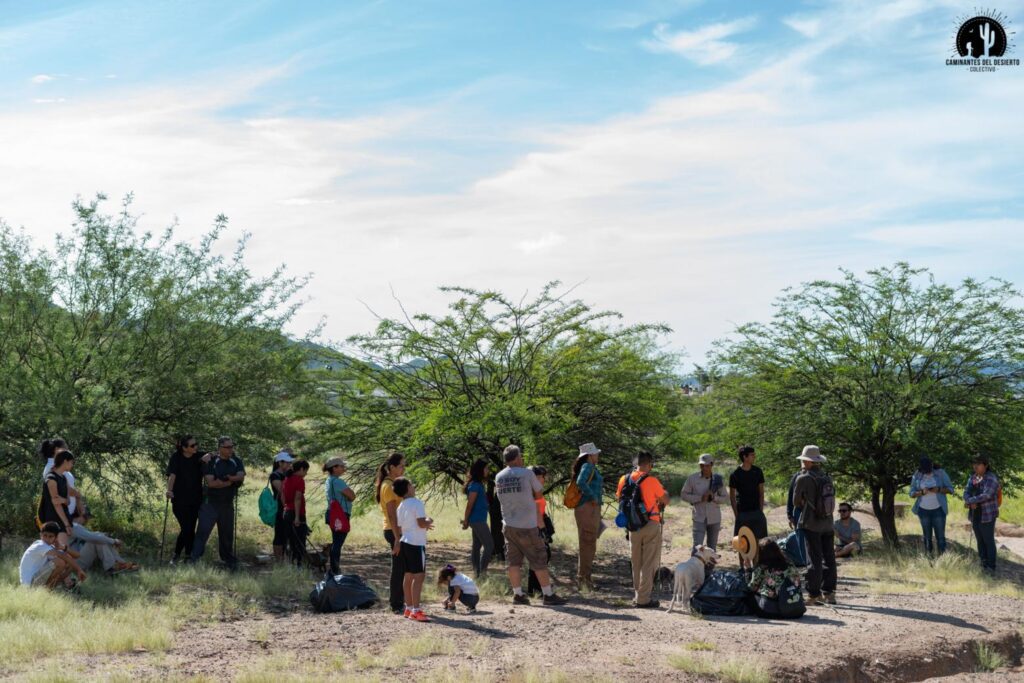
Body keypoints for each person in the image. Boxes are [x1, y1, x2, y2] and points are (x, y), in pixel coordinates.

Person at [495, 444, 567, 606]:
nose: (522, 458)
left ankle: (518, 594)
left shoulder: (499, 476)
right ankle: (548, 595)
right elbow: (538, 493)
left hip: (508, 525)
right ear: (517, 457)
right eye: (520, 456)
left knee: (513, 562)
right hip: (527, 525)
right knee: (539, 558)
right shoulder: (527, 474)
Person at [616, 451, 670, 608]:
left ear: (636, 463)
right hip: (650, 523)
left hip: (632, 526)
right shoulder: (651, 480)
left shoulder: (623, 479)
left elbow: (619, 497)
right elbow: (665, 499)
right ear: (648, 464)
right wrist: (663, 492)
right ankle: (643, 599)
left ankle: (637, 595)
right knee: (648, 562)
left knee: (636, 561)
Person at [189, 436, 245, 570]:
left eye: (232, 446)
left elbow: (241, 476)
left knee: (227, 534)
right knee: (203, 532)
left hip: (227, 503)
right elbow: (212, 483)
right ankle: (194, 559)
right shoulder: (211, 461)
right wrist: (231, 481)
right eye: (228, 447)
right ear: (220, 448)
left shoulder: (236, 460)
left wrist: (228, 479)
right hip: (210, 503)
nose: (231, 449)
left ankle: (228, 559)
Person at [792, 445, 837, 606]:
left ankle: (813, 594)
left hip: (811, 523)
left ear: (809, 462)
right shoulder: (827, 478)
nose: (802, 463)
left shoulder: (803, 478)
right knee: (829, 558)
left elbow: (796, 502)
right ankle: (829, 593)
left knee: (814, 559)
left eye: (804, 460)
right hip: (828, 523)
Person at [165, 435, 210, 565]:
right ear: (184, 448)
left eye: (196, 444)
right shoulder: (176, 457)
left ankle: (183, 555)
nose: (196, 447)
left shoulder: (199, 455)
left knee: (189, 528)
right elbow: (172, 475)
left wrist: (209, 456)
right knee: (187, 528)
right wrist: (169, 490)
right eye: (192, 445)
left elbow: (214, 453)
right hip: (179, 499)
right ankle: (182, 555)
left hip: (196, 499)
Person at [394, 477, 433, 622]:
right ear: (407, 488)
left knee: (408, 576)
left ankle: (409, 608)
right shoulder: (417, 503)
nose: (413, 486)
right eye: (411, 484)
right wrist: (429, 521)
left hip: (405, 542)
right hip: (416, 544)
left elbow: (400, 527)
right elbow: (421, 523)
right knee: (419, 577)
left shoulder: (401, 505)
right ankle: (416, 610)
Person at [375, 452, 407, 614]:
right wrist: (397, 538)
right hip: (393, 531)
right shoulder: (388, 486)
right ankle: (396, 604)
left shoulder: (394, 483)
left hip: (398, 530)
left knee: (402, 567)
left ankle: (401, 601)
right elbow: (392, 515)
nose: (404, 468)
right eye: (401, 466)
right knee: (398, 568)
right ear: (392, 467)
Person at [729, 445, 767, 570]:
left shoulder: (758, 471)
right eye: (752, 455)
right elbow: (732, 496)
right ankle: (743, 568)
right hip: (742, 513)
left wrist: (760, 511)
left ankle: (756, 567)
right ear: (744, 457)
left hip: (756, 511)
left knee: (757, 541)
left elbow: (761, 492)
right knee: (742, 541)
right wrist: (737, 514)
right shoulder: (735, 474)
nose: (754, 457)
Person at [681, 454, 729, 553]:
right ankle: (695, 568)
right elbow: (683, 495)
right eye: (702, 465)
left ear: (712, 465)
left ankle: (709, 569)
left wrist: (714, 497)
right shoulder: (692, 478)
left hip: (714, 518)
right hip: (699, 517)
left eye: (706, 465)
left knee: (712, 548)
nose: (704, 468)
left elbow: (725, 498)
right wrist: (700, 498)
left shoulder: (718, 480)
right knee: (697, 547)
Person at [69, 507, 139, 574]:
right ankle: (112, 567)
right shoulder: (74, 526)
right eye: (86, 518)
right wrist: (114, 541)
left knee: (100, 538)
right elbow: (95, 538)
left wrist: (103, 536)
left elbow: (91, 536)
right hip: (72, 564)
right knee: (98, 540)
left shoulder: (71, 525)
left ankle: (120, 563)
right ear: (81, 516)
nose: (87, 522)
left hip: (73, 560)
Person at [572, 443, 604, 589]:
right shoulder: (587, 466)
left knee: (588, 543)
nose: (598, 455)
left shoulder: (589, 467)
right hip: (587, 509)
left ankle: (585, 579)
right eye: (596, 453)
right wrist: (592, 497)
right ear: (590, 455)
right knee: (587, 543)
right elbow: (580, 482)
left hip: (590, 509)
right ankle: (584, 580)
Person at [20, 522, 86, 589]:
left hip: (36, 579)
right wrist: (79, 570)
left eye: (50, 536)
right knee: (60, 562)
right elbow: (62, 556)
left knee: (70, 564)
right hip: (30, 583)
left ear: (56, 538)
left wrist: (63, 547)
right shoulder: (40, 545)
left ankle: (49, 588)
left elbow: (76, 556)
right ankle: (46, 589)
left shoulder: (50, 547)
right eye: (45, 535)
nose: (47, 539)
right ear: (41, 535)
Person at [910, 457, 954, 557]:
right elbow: (911, 493)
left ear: (932, 465)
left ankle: (942, 560)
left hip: (938, 510)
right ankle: (929, 560)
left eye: (928, 469)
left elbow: (951, 489)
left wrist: (938, 490)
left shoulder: (940, 473)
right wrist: (921, 492)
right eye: (924, 470)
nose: (927, 472)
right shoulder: (917, 475)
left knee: (941, 538)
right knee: (927, 538)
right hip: (923, 511)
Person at [964, 454, 1000, 574]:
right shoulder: (973, 477)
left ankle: (991, 567)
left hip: (987, 515)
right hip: (975, 514)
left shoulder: (991, 478)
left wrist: (971, 501)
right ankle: (982, 564)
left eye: (978, 464)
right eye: (974, 464)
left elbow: (987, 495)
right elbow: (966, 492)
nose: (975, 466)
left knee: (988, 541)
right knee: (979, 540)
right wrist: (970, 501)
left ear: (986, 465)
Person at [461, 459, 493, 578]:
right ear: (480, 470)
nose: (488, 471)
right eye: (486, 468)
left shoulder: (478, 484)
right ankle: (482, 573)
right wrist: (466, 521)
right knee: (489, 545)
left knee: (476, 546)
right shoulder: (475, 485)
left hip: (479, 520)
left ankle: (477, 573)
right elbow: (469, 505)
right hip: (477, 521)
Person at [324, 456, 355, 575]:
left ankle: (334, 568)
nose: (344, 468)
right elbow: (352, 496)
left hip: (332, 513)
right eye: (341, 466)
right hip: (340, 515)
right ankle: (335, 569)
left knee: (336, 540)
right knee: (338, 543)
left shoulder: (329, 480)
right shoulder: (338, 481)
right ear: (334, 468)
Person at [38, 450, 76, 549]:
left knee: (63, 551)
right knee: (62, 552)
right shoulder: (51, 479)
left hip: (63, 517)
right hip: (54, 519)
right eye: (71, 462)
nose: (72, 465)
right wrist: (66, 524)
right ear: (65, 461)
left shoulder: (63, 478)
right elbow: (56, 502)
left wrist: (62, 500)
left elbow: (67, 501)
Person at [527, 465, 554, 597]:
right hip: (536, 528)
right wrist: (544, 532)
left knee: (537, 558)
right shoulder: (535, 493)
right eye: (543, 476)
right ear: (536, 477)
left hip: (533, 527)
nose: (544, 479)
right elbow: (537, 514)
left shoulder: (530, 491)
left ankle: (533, 589)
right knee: (543, 556)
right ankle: (537, 589)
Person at [40, 438, 79, 518]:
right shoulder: (52, 468)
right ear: (57, 450)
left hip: (68, 512)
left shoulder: (57, 465)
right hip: (61, 515)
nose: (67, 451)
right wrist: (78, 495)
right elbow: (61, 491)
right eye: (65, 448)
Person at [282, 459, 310, 567]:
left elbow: (282, 497)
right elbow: (297, 498)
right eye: (306, 471)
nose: (306, 474)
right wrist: (297, 517)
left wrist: (286, 508)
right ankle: (299, 565)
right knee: (299, 541)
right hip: (296, 514)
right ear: (302, 469)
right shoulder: (299, 480)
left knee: (291, 540)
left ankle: (290, 564)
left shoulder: (286, 479)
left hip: (287, 512)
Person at [268, 450, 295, 562]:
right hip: (280, 508)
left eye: (290, 463)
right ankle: (278, 560)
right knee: (279, 534)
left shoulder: (287, 474)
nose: (289, 465)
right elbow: (282, 490)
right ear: (280, 463)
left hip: (289, 507)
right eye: (287, 463)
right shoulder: (275, 475)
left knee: (288, 534)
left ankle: (286, 558)